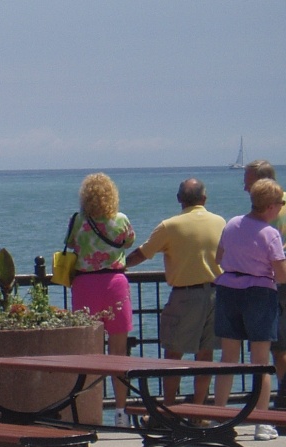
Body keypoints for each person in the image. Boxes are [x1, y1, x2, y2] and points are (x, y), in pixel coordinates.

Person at [125, 178, 225, 406]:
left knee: (173, 356)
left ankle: (169, 409)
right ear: (204, 198)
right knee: (205, 357)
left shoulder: (170, 226)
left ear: (179, 199)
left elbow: (142, 254)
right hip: (216, 295)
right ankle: (199, 411)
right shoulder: (220, 222)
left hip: (185, 295)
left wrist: (119, 265)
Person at [213, 178, 286, 441]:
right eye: (279, 203)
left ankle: (220, 417)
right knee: (261, 361)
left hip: (228, 289)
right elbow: (281, 274)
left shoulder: (232, 223)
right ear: (270, 206)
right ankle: (262, 422)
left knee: (227, 360)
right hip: (259, 293)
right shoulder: (270, 233)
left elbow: (218, 258)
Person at [67, 173, 136, 427]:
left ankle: (87, 410)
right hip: (115, 284)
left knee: (88, 350)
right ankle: (121, 412)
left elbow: (71, 245)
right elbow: (129, 241)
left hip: (85, 285)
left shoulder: (78, 221)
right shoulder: (120, 220)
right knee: (118, 352)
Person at [243, 160, 286, 410]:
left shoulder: (271, 212)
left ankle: (281, 402)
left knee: (278, 346)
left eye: (248, 183)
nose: (245, 188)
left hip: (276, 283)